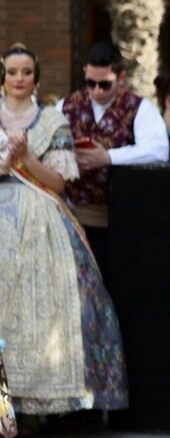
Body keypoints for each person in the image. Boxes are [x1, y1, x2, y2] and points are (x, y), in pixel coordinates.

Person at [0, 43, 127, 417]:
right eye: (12, 72)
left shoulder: (53, 122)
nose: (19, 79)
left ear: (36, 77)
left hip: (40, 217)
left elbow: (57, 183)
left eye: (26, 72)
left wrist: (25, 159)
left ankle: (37, 403)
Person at [57, 43, 169, 261]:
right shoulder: (65, 106)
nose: (97, 90)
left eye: (105, 84)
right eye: (90, 83)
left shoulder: (140, 107)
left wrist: (108, 157)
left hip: (122, 221)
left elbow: (158, 150)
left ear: (121, 78)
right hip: (72, 218)